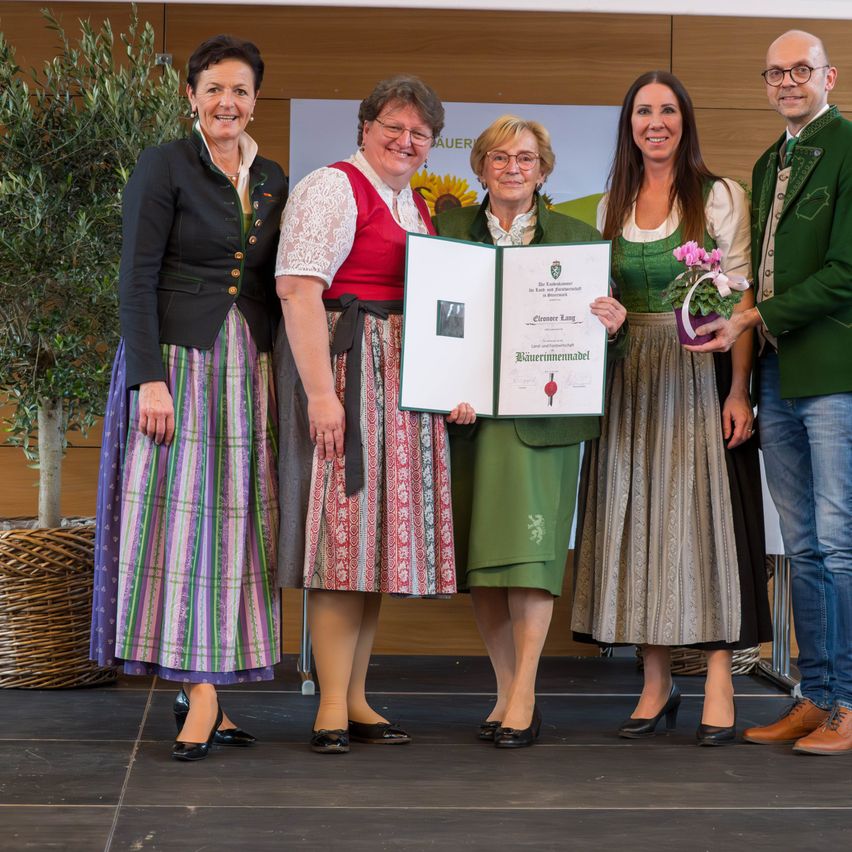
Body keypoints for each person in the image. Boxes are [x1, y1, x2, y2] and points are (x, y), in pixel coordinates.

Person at [91, 35, 287, 761]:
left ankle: (207, 687)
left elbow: (273, 283)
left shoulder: (270, 177)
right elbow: (134, 278)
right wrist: (148, 377)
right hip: (175, 365)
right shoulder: (164, 165)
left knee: (233, 527)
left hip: (244, 368)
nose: (226, 103)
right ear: (192, 98)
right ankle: (199, 691)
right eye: (213, 90)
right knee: (176, 528)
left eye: (239, 90)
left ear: (255, 99)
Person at [274, 75, 475, 754]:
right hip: (346, 366)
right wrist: (322, 396)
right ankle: (330, 706)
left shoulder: (411, 200)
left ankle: (355, 696)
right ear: (364, 127)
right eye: (394, 125)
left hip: (396, 377)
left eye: (419, 133)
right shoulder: (333, 187)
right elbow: (299, 291)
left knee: (371, 547)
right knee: (342, 538)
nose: (406, 140)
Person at [571, 71, 772, 746]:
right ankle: (656, 682)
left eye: (667, 110)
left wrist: (739, 390)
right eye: (642, 111)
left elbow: (740, 305)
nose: (654, 121)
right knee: (637, 521)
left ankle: (718, 677)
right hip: (631, 378)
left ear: (685, 120)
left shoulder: (718, 195)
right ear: (628, 124)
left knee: (703, 523)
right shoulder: (610, 203)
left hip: (697, 373)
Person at [433, 116, 626, 748]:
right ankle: (507, 691)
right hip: (469, 421)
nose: (512, 167)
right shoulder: (446, 232)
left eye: (525, 158)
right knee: (483, 565)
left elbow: (597, 344)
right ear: (480, 165)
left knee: (531, 564)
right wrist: (439, 385)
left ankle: (523, 696)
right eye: (498, 156)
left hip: (543, 420)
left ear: (543, 169)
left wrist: (611, 322)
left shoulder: (578, 239)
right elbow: (432, 324)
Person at [688, 31, 852, 755]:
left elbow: (848, 270)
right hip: (780, 376)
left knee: (842, 546)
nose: (788, 81)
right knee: (807, 548)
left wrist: (753, 317)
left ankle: (848, 704)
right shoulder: (769, 159)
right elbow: (754, 274)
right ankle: (815, 698)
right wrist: (745, 377)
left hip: (835, 373)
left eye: (801, 70)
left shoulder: (848, 144)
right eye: (775, 72)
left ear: (829, 76)